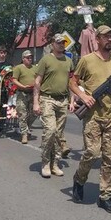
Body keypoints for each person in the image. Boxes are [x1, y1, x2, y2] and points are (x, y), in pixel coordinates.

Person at [69, 25, 111, 214]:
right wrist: (83, 97)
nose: (110, 39)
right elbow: (73, 82)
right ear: (98, 39)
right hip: (93, 116)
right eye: (106, 37)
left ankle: (105, 196)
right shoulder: (87, 60)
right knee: (92, 153)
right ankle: (79, 179)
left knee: (110, 158)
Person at [33, 33, 73, 178]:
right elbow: (37, 82)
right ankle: (45, 162)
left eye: (63, 42)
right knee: (50, 130)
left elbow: (71, 83)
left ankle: (55, 163)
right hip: (47, 99)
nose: (61, 44)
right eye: (58, 42)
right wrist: (36, 102)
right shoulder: (46, 60)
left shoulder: (68, 61)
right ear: (52, 44)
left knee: (58, 134)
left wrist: (72, 100)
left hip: (63, 100)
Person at [12, 50, 37, 144]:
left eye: (30, 57)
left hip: (33, 93)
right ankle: (24, 134)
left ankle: (27, 127)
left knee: (34, 113)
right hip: (22, 93)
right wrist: (22, 86)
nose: (29, 59)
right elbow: (14, 80)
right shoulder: (18, 68)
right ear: (23, 59)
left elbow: (38, 79)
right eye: (27, 58)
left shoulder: (35, 68)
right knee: (22, 114)